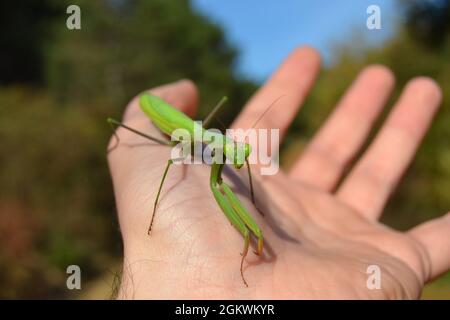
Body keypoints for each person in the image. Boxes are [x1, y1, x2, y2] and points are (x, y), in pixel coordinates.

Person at [107, 47, 448, 299]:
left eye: (237, 154)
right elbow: (184, 167)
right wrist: (154, 214)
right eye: (234, 154)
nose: (238, 162)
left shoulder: (218, 148)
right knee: (165, 155)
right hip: (163, 121)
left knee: (221, 185)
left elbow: (227, 175)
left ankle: (247, 240)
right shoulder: (196, 143)